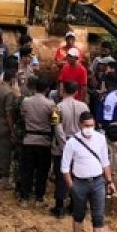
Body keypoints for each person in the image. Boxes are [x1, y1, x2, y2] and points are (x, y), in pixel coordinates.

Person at [61, 111, 115, 232]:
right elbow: (65, 167)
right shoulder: (72, 142)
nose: (89, 128)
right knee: (78, 216)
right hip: (79, 183)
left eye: (92, 125)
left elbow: (105, 162)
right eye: (86, 126)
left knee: (99, 217)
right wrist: (72, 187)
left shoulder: (100, 139)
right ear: (80, 125)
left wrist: (110, 181)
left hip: (98, 182)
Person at [50, 80, 88, 217]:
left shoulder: (57, 107)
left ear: (63, 90)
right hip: (79, 147)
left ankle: (59, 207)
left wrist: (64, 145)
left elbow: (56, 127)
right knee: (77, 176)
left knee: (61, 177)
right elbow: (87, 126)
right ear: (77, 92)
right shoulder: (84, 107)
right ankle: (74, 205)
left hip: (62, 147)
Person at [19, 76, 56, 203]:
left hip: (28, 139)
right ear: (47, 89)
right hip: (44, 142)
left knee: (27, 170)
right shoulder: (51, 104)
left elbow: (23, 117)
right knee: (42, 171)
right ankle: (39, 196)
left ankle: (24, 196)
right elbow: (55, 122)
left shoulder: (26, 101)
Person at [0, 69, 19, 185]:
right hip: (4, 124)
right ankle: (4, 178)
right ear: (12, 79)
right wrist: (12, 129)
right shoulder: (9, 93)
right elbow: (8, 113)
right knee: (4, 152)